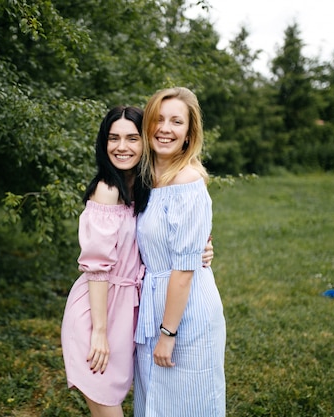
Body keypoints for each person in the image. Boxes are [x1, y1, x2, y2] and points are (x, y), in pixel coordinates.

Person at [61, 106, 214, 417]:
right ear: (103, 144)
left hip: (129, 314)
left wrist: (201, 250)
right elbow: (97, 268)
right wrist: (99, 332)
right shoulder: (107, 190)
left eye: (132, 138)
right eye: (113, 138)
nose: (122, 147)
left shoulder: (144, 187)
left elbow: (157, 238)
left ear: (145, 141)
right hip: (98, 314)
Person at [133, 87, 226, 417]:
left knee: (188, 404)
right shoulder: (147, 177)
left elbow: (185, 270)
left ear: (189, 134)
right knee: (156, 403)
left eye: (176, 121)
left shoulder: (187, 181)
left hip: (185, 315)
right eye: (158, 119)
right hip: (154, 304)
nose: (165, 128)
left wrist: (168, 333)